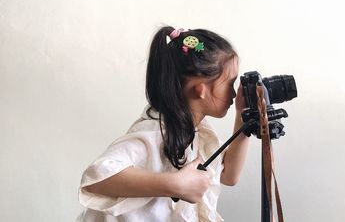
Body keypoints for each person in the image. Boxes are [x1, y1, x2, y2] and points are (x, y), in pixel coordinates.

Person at [77, 26, 253, 222]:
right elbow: (96, 179)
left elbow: (229, 175)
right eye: (230, 83)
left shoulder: (196, 131)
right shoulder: (154, 132)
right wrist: (174, 184)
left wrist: (243, 115)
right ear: (201, 90)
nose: (234, 93)